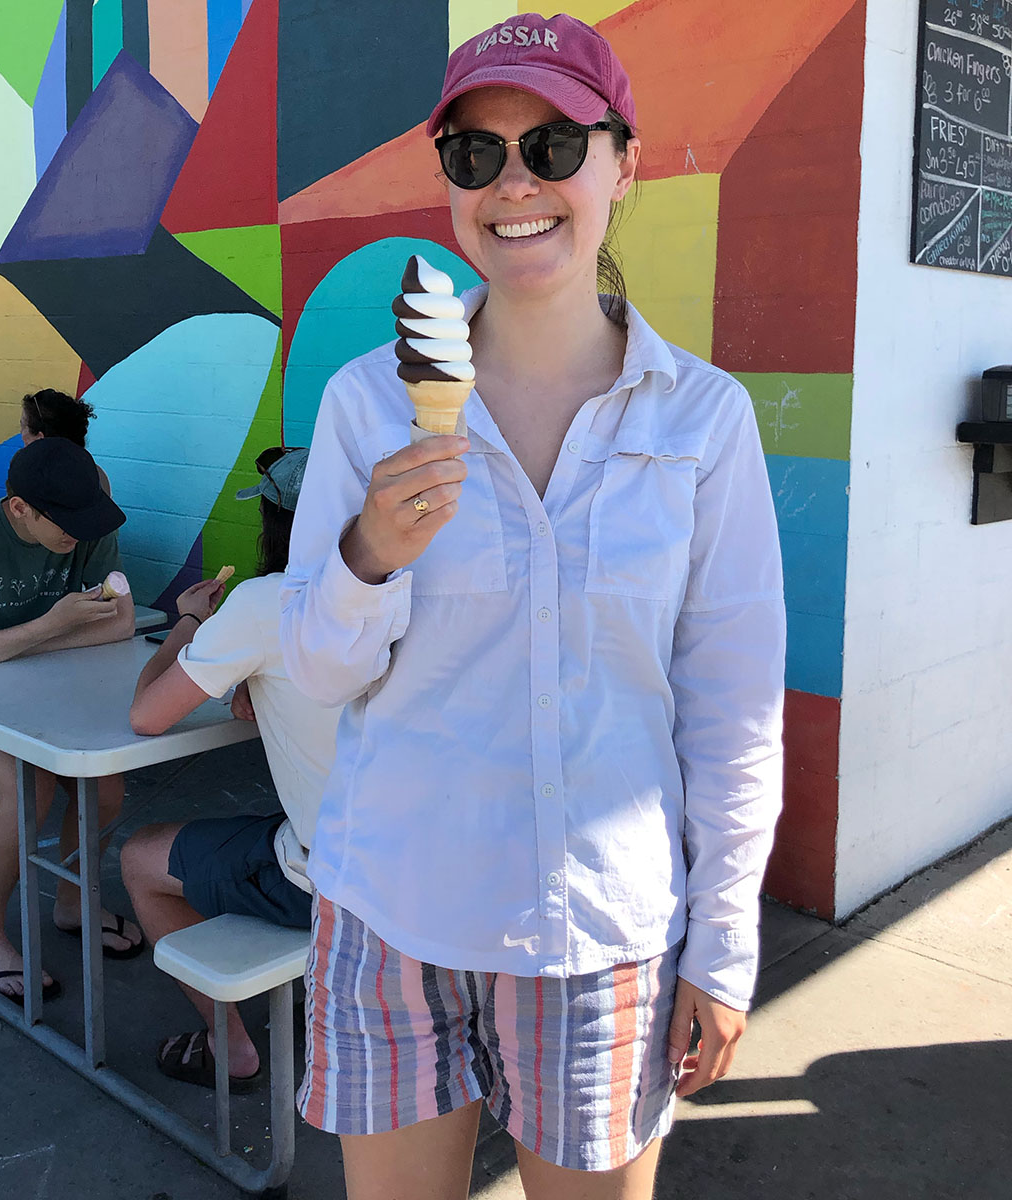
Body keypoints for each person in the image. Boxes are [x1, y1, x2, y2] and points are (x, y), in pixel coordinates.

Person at [280, 14, 785, 1200]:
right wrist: (366, 554)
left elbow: (732, 709)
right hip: (394, 910)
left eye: (556, 145)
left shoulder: (703, 420)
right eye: (476, 154)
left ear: (624, 163)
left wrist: (725, 942)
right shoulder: (371, 405)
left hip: (600, 933)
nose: (516, 183)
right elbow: (315, 671)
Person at [122, 446, 342, 1088]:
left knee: (139, 857)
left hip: (335, 879)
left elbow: (147, 714)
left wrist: (187, 623)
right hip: (439, 867)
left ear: (273, 525)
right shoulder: (424, 592)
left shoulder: (263, 604)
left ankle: (233, 1049)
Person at [0, 437, 142, 1002]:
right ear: (19, 508)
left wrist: (14, 647)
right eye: (62, 521)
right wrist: (51, 627)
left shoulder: (90, 524)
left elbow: (120, 625)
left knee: (105, 788)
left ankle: (72, 901)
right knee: (26, 784)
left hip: (44, 697)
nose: (77, 534)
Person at [19, 388, 112, 495]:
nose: (21, 433)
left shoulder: (33, 480)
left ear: (39, 439)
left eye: (22, 426)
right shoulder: (97, 473)